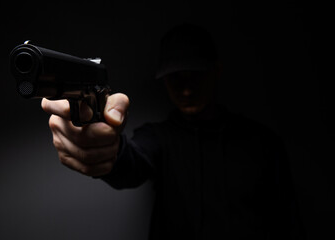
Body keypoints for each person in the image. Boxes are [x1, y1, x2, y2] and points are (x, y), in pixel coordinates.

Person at [41, 23, 303, 239]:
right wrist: (104, 150)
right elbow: (130, 164)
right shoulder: (157, 138)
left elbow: (288, 221)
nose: (186, 89)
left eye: (195, 76)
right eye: (176, 78)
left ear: (216, 72)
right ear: (164, 79)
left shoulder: (263, 143)